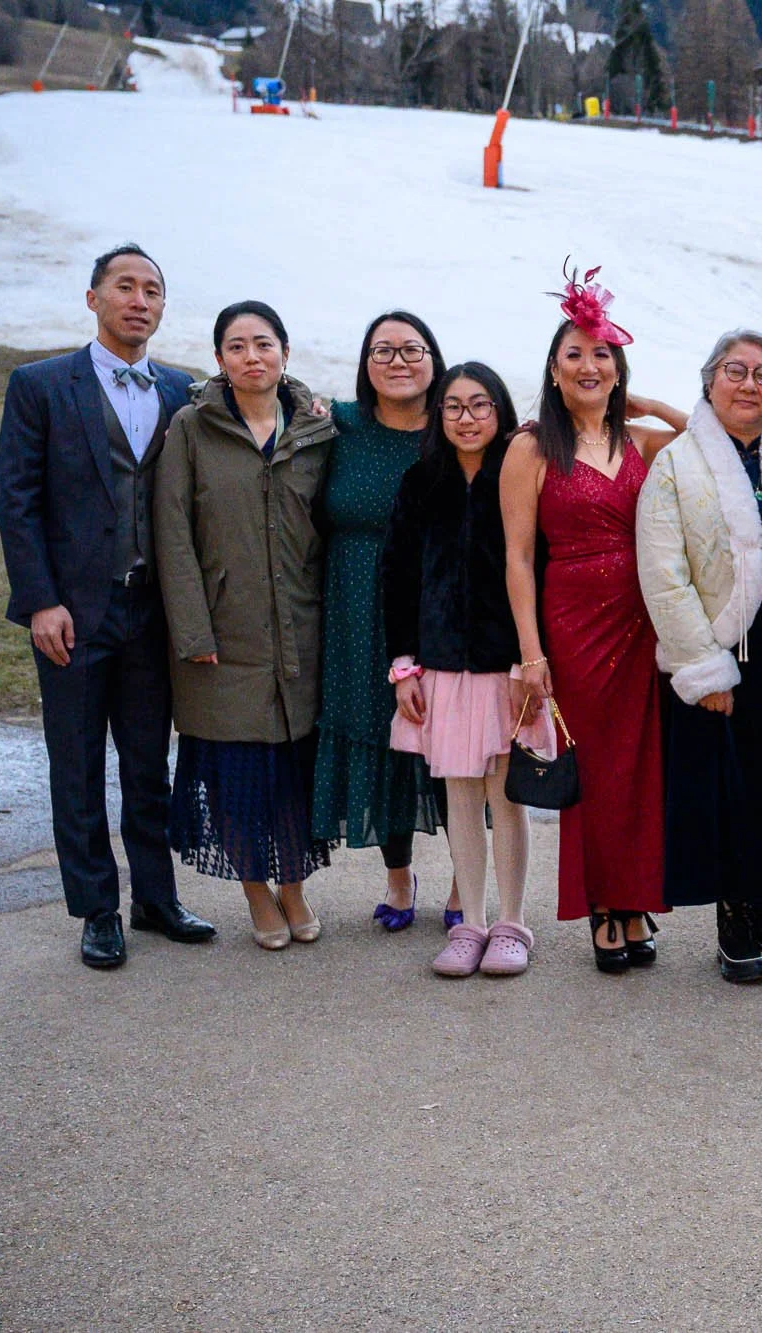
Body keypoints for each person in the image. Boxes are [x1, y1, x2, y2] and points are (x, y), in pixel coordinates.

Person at [0, 243, 216, 968]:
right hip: (73, 615)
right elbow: (18, 501)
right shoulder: (40, 385)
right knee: (78, 762)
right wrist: (40, 601)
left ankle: (155, 896)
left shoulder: (182, 391)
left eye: (153, 289)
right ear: (93, 298)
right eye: (125, 286)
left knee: (151, 762)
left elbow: (258, 392)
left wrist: (304, 399)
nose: (140, 299)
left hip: (153, 612)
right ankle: (97, 907)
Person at [502, 265, 686, 974]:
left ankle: (638, 899)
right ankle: (603, 909)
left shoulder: (641, 443)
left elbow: (706, 436)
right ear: (553, 369)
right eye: (574, 353)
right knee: (597, 769)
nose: (588, 364)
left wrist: (646, 403)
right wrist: (531, 653)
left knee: (643, 769)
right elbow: (518, 557)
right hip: (573, 621)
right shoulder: (530, 447)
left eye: (602, 353)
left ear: (619, 366)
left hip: (645, 623)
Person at [154, 300, 339, 949]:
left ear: (285, 352)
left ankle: (294, 886)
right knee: (233, 777)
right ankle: (256, 893)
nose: (251, 356)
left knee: (290, 774)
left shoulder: (317, 431)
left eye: (263, 343)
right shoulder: (190, 427)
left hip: (301, 634)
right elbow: (172, 534)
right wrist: (193, 632)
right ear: (220, 360)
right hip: (223, 639)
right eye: (237, 346)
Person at [636, 330, 762, 984]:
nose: (749, 384)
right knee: (726, 792)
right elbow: (663, 572)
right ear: (709, 381)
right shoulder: (677, 464)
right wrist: (703, 666)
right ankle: (733, 916)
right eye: (735, 371)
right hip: (714, 649)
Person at [384, 362, 549, 977]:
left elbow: (542, 570)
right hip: (442, 668)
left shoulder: (522, 473)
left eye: (480, 405)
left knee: (508, 796)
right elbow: (397, 578)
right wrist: (403, 664)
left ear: (501, 412)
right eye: (453, 406)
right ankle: (470, 925)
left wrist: (531, 660)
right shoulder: (421, 481)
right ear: (439, 416)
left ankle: (512, 924)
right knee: (458, 794)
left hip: (509, 668)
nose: (467, 418)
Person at [311, 310, 453, 934]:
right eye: (382, 351)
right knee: (381, 733)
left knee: (452, 743)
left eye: (411, 349)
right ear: (366, 365)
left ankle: (463, 882)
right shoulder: (338, 424)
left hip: (439, 604)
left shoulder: (460, 427)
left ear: (434, 359)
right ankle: (399, 878)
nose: (398, 361)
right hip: (353, 606)